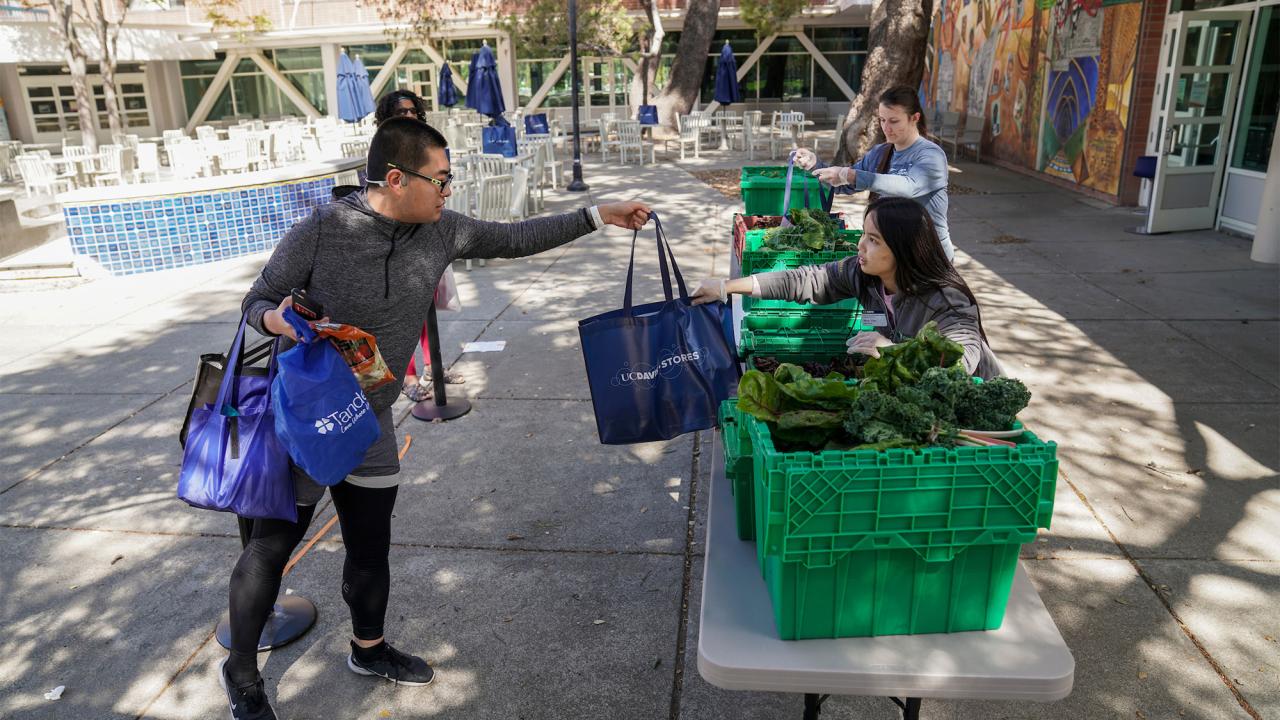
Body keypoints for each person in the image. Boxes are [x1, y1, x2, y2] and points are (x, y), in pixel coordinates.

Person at [224, 117, 651, 720]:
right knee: (272, 548)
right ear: (396, 179)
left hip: (369, 422)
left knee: (371, 546)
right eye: (441, 180)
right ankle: (241, 672)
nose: (448, 192)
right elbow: (254, 304)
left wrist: (597, 214)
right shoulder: (322, 230)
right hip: (306, 420)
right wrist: (282, 320)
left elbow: (516, 237)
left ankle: (368, 649)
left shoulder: (441, 231)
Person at [692, 196, 1001, 378]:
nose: (860, 246)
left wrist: (892, 351)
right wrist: (726, 287)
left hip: (976, 410)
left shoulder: (947, 302)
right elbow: (806, 280)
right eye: (864, 235)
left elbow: (960, 363)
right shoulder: (865, 276)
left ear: (905, 249)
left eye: (874, 240)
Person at [793, 85, 956, 260]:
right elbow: (844, 185)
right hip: (894, 253)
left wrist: (851, 175)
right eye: (882, 120)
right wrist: (814, 165)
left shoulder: (931, 155)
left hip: (930, 257)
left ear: (914, 118)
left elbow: (908, 187)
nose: (886, 128)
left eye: (894, 121)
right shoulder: (880, 153)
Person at [372, 89, 461, 401]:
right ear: (387, 116)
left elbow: (441, 178)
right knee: (407, 312)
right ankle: (408, 376)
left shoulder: (426, 144)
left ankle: (434, 367)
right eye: (401, 111)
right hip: (397, 237)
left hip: (427, 230)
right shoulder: (383, 148)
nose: (408, 116)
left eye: (412, 111)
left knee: (427, 306)